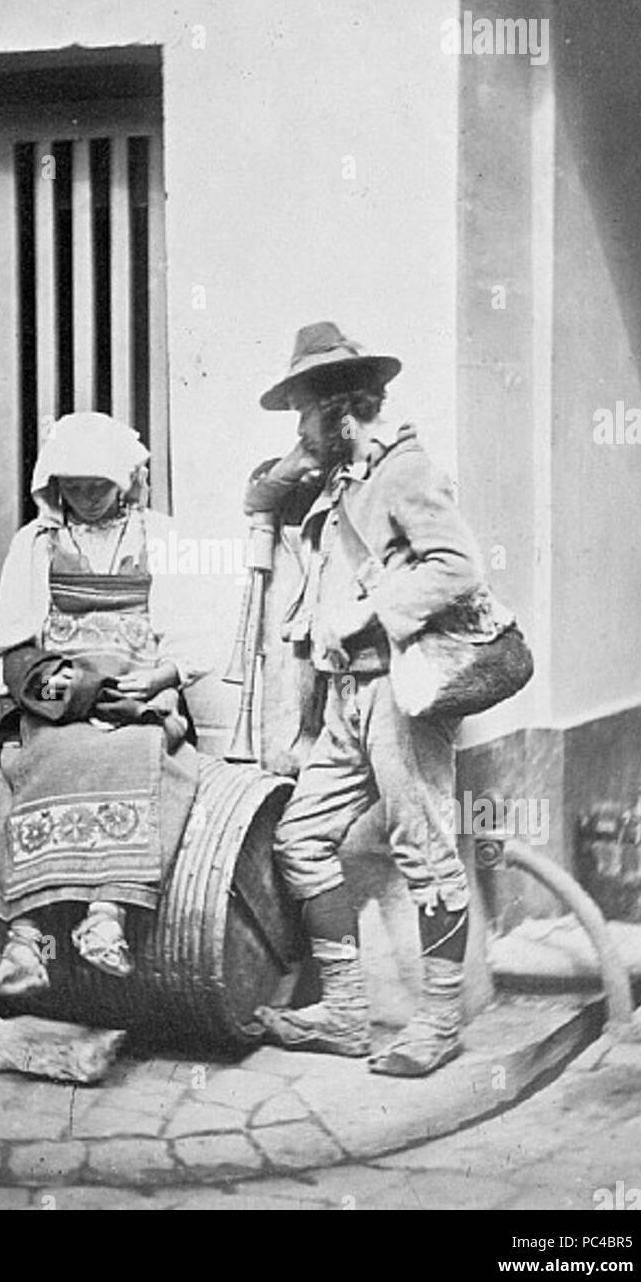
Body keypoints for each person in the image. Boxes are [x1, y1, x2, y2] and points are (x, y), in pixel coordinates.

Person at [246, 321, 487, 1075]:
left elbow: (459, 567)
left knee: (424, 851)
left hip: (402, 692)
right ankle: (348, 1013)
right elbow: (262, 492)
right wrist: (310, 449)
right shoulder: (342, 476)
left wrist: (371, 612)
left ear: (344, 410)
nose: (298, 428)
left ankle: (438, 1024)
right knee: (301, 835)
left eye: (306, 412)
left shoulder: (405, 472)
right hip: (349, 697)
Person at [0, 412, 207, 999]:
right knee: (35, 759)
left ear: (128, 481)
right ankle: (26, 938)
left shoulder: (161, 537)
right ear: (52, 485)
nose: (87, 499)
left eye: (100, 486)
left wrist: (155, 680)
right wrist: (60, 689)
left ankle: (105, 918)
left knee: (142, 750)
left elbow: (192, 638)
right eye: (74, 486)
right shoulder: (36, 545)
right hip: (61, 696)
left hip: (137, 693)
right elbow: (6, 648)